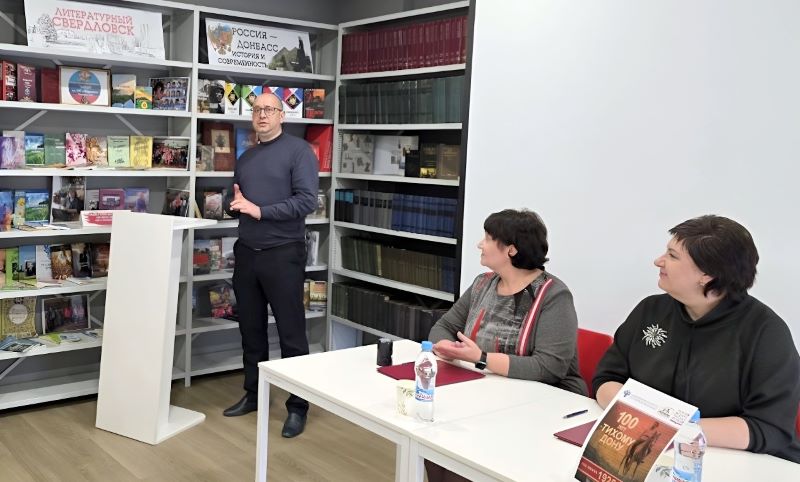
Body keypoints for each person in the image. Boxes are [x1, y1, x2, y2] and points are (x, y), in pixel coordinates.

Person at [593, 215, 800, 463]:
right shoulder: (650, 310)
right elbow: (607, 379)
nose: (658, 261)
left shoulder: (766, 333)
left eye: (672, 256)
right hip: (644, 450)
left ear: (707, 274)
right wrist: (640, 422)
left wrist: (670, 430)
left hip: (736, 462)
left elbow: (768, 428)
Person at [426, 209, 586, 482]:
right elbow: (443, 326)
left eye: (488, 238)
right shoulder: (482, 284)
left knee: (460, 458)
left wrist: (481, 358)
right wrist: (446, 347)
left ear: (511, 249)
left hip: (545, 404)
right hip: (489, 393)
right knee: (434, 443)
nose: (480, 244)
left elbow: (550, 367)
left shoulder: (553, 295)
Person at [222, 92, 319, 440]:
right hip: (248, 253)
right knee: (251, 330)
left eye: (269, 109)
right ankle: (253, 393)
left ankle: (298, 406)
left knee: (291, 333)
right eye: (257, 110)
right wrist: (233, 204)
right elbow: (240, 198)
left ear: (282, 115)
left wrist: (260, 211)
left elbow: (306, 201)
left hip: (283, 253)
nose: (262, 115)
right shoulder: (246, 157)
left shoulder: (299, 152)